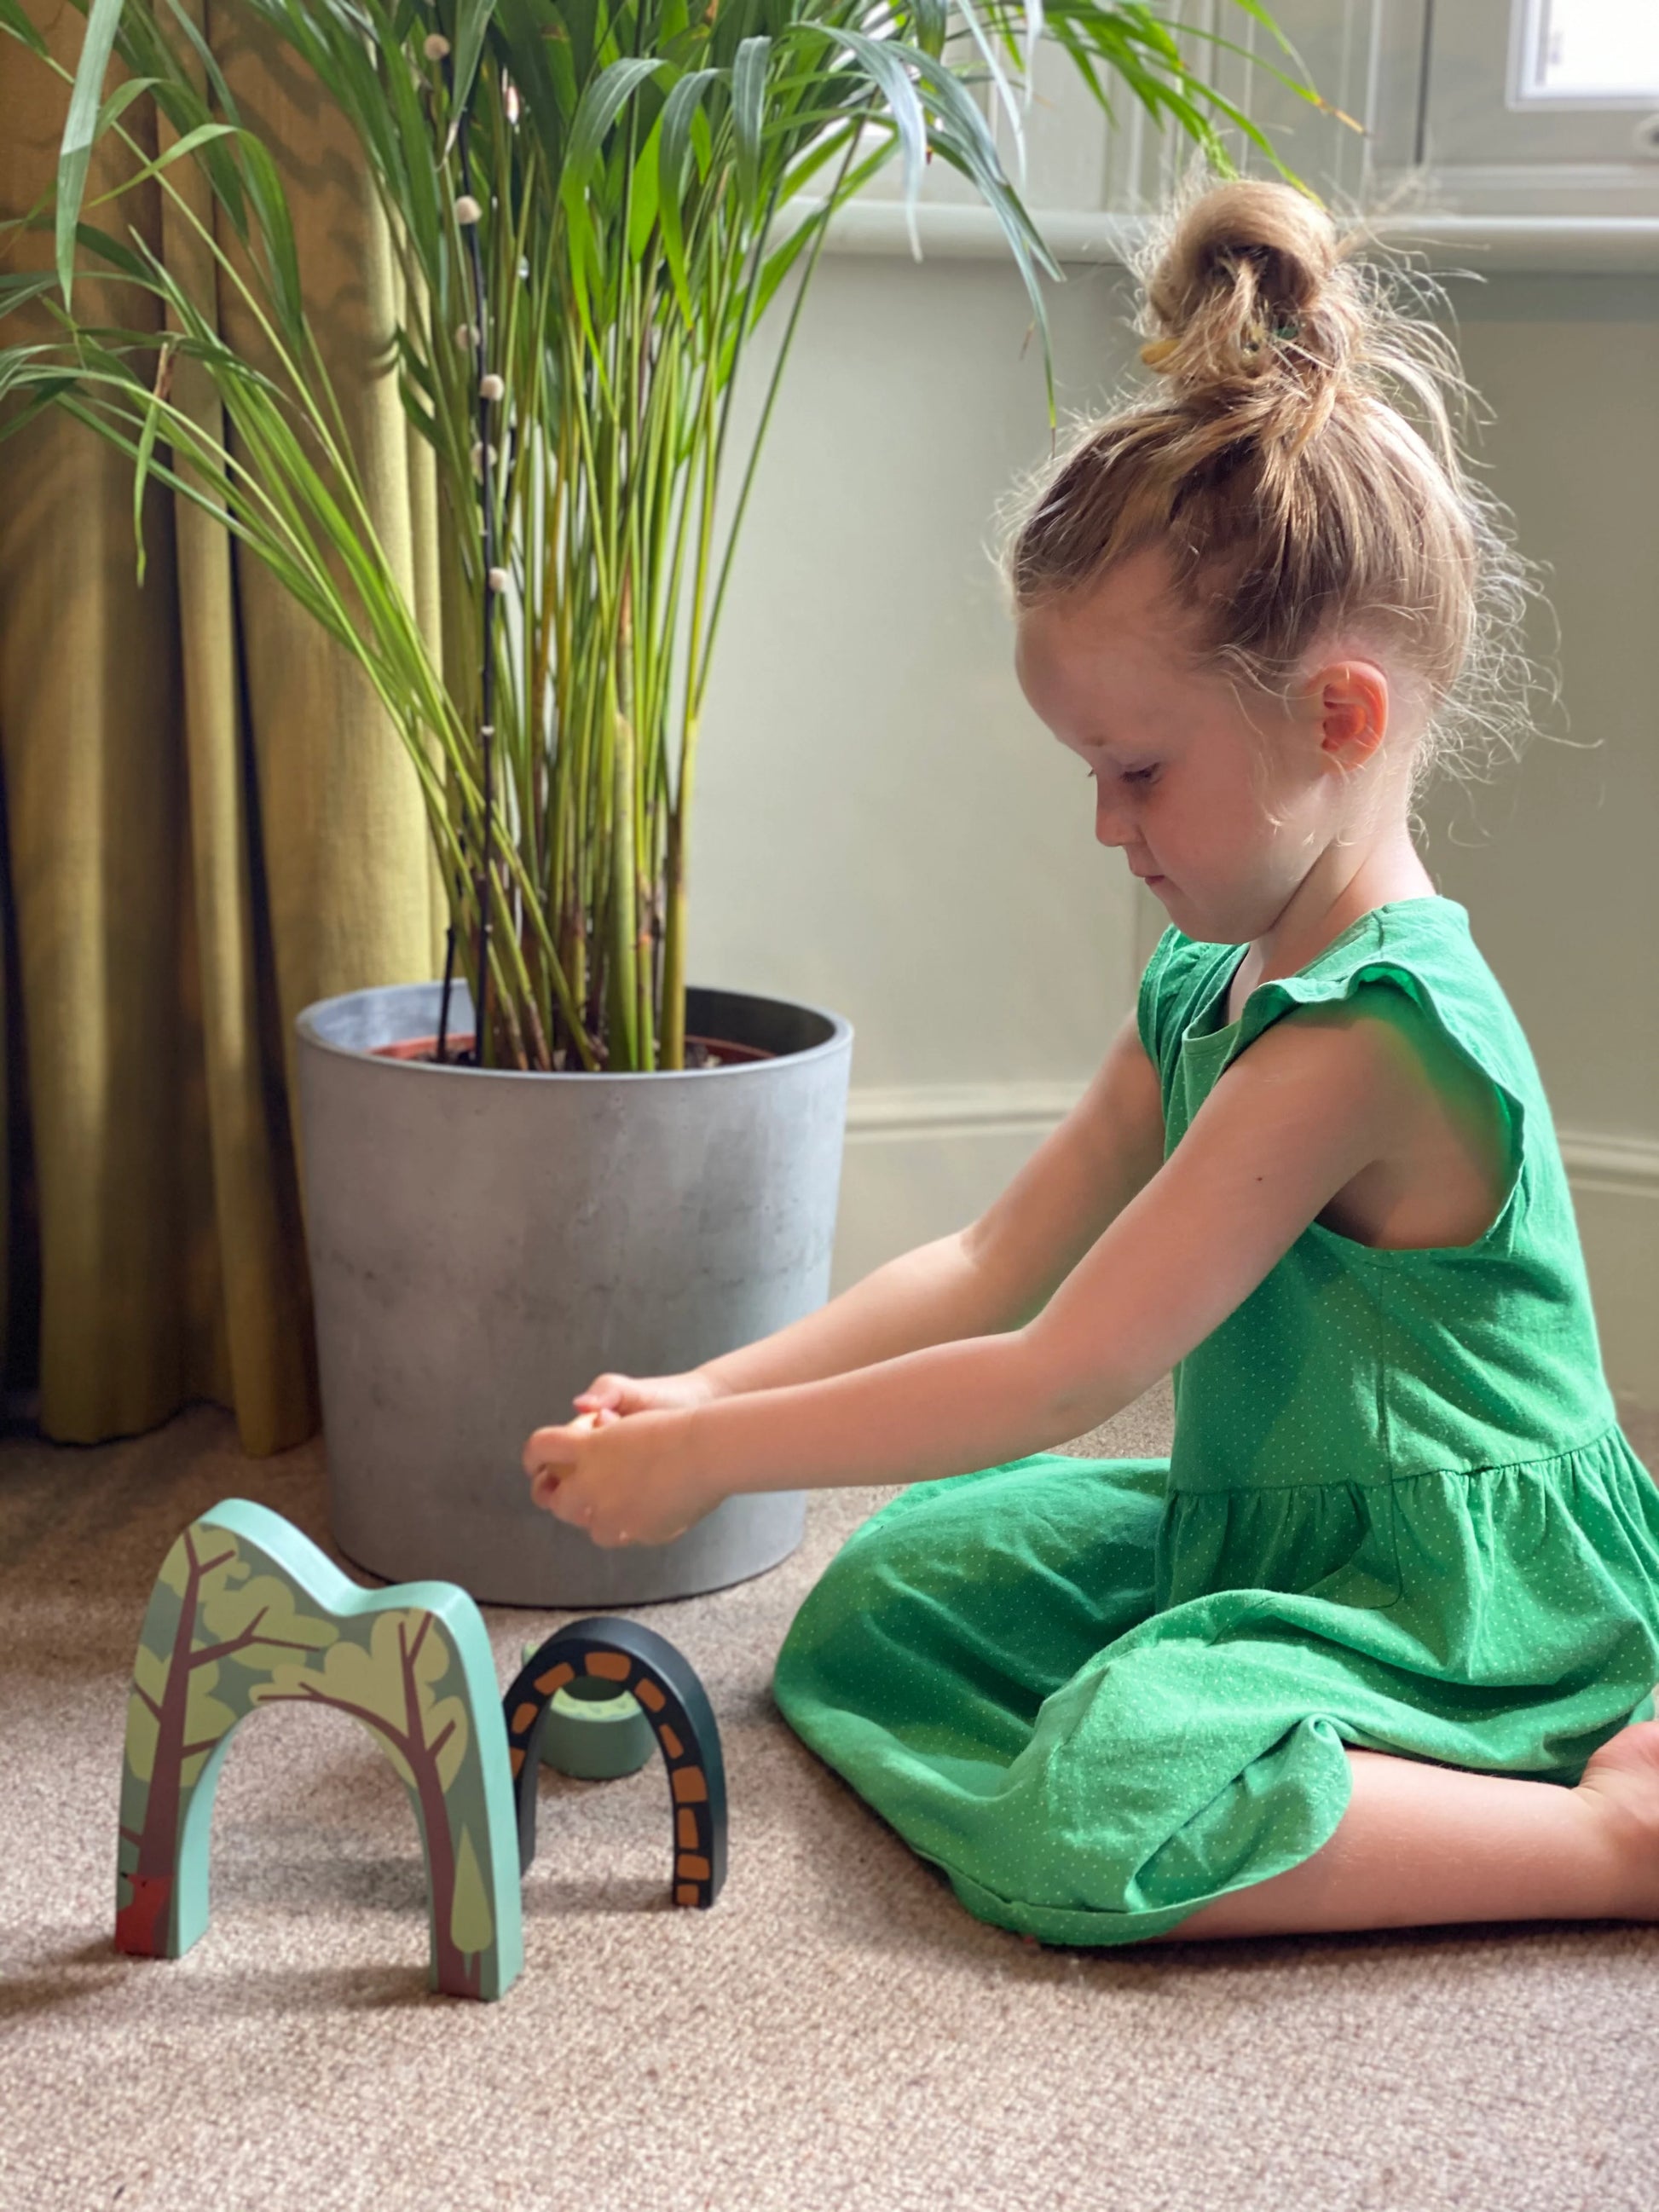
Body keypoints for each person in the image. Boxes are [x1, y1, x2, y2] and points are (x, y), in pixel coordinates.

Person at [522, 180, 1659, 1945]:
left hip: (1461, 1596)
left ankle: (1612, 1839)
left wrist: (719, 1464)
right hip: (1266, 1530)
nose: (1104, 825)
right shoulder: (1210, 976)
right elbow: (990, 1262)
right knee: (889, 1593)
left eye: (1136, 769)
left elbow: (1060, 1369)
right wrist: (708, 1395)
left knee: (1100, 1800)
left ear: (1337, 719)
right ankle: (1286, 1742)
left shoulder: (1361, 1035)